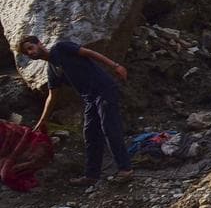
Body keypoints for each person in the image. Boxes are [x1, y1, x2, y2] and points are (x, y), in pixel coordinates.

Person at [17, 36, 132, 186]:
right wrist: (43, 120)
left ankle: (125, 170)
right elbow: (52, 96)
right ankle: (92, 175)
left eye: (30, 48)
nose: (30, 53)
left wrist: (115, 65)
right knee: (90, 134)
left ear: (39, 43)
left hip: (104, 89)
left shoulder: (61, 48)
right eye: (27, 53)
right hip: (90, 99)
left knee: (109, 128)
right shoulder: (52, 69)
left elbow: (90, 53)